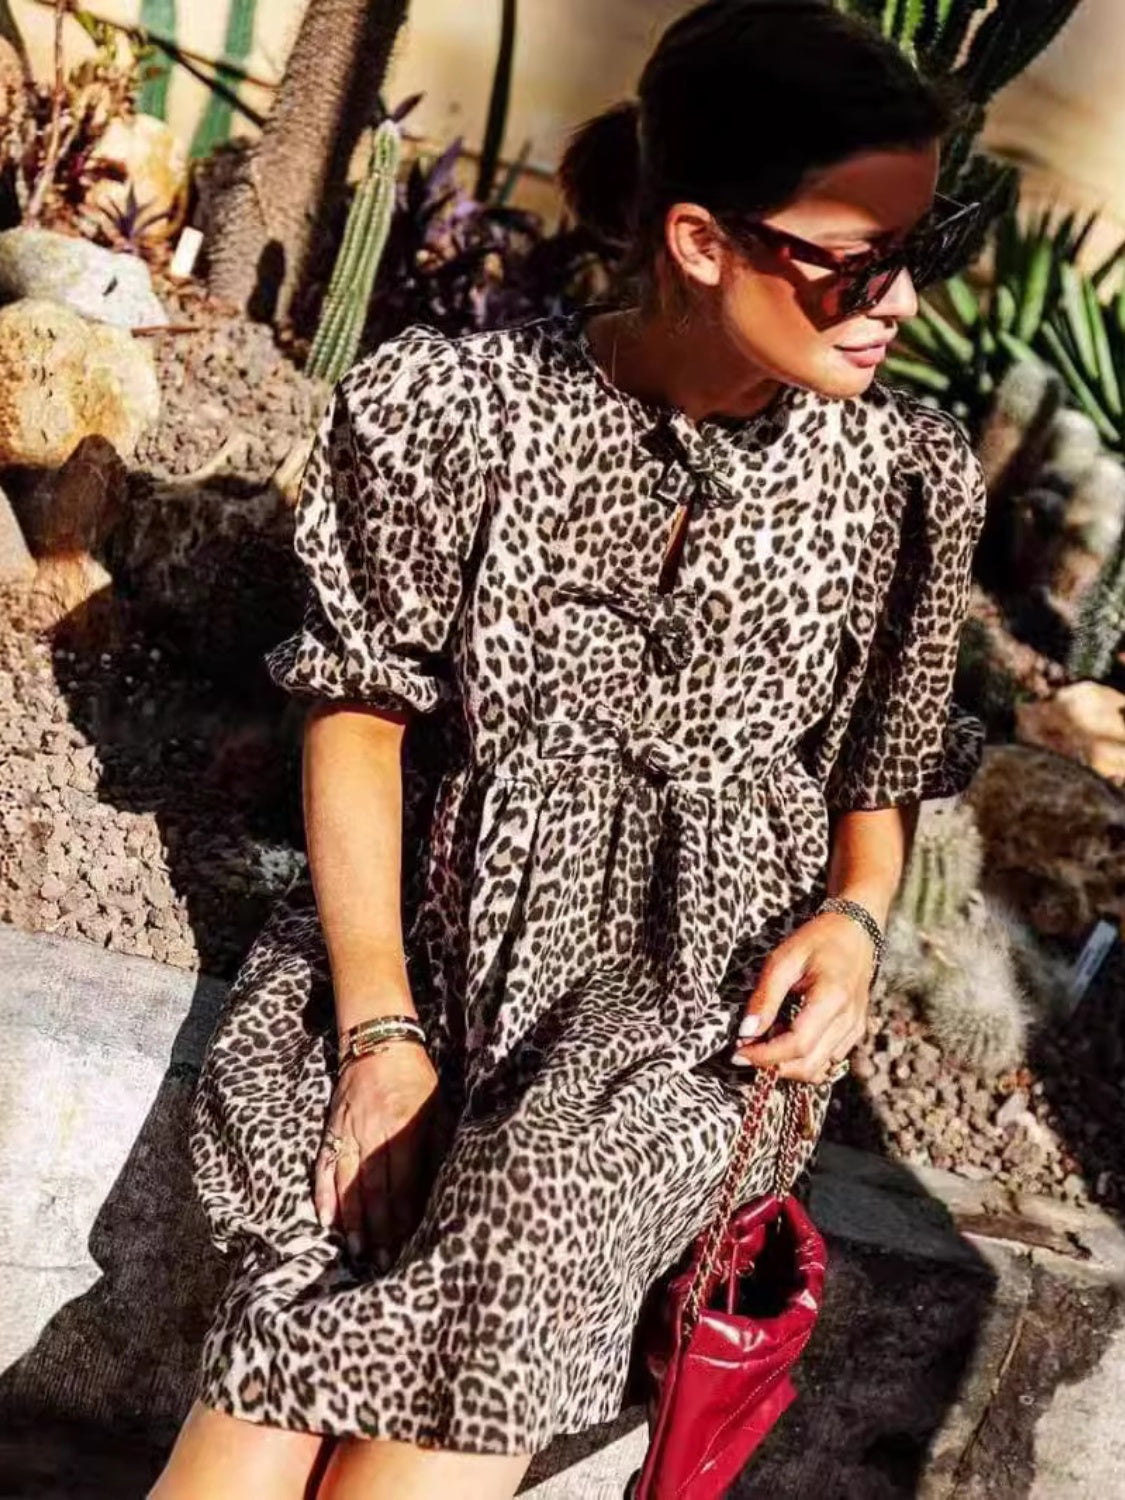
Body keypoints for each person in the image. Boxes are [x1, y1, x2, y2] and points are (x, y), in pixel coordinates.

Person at [152, 2, 988, 1496]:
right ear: (698, 242)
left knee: (529, 1214)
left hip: (685, 1020)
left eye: (919, 247)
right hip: (427, 951)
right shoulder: (455, 406)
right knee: (314, 1258)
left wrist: (859, 919)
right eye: (856, 260)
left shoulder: (903, 478)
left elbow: (886, 764)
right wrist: (378, 1036)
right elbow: (357, 713)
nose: (901, 301)